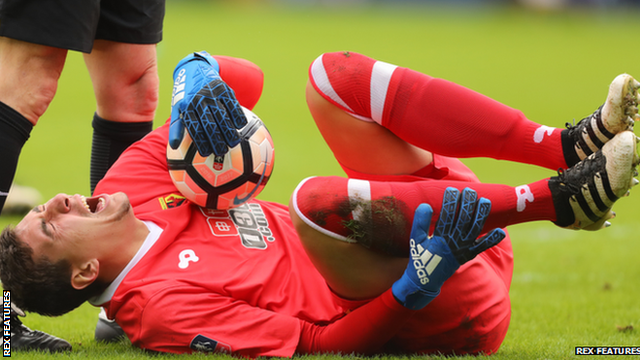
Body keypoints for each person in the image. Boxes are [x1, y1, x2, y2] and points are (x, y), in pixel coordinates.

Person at [0, 51, 638, 357]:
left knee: (331, 78)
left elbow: (243, 81)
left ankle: (558, 148)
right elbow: (317, 344)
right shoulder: (162, 309)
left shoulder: (130, 189)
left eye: (42, 208)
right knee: (312, 203)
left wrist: (195, 77)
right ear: (86, 275)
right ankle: (556, 201)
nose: (56, 201)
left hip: (441, 216)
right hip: (436, 292)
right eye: (50, 226)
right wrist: (413, 287)